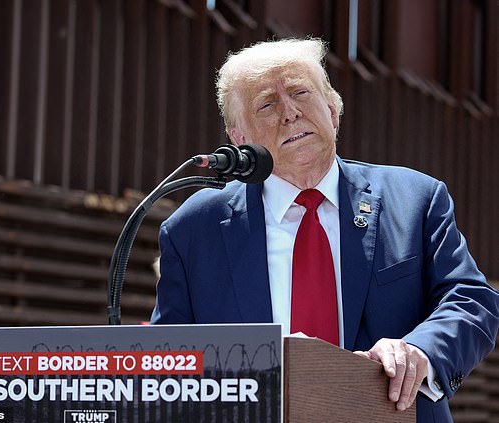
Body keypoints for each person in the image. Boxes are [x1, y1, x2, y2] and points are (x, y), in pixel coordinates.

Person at [150, 37, 499, 422]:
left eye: (301, 92)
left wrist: (420, 351)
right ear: (240, 139)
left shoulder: (415, 200)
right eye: (267, 104)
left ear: (333, 110)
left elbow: (471, 302)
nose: (290, 112)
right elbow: (171, 364)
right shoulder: (193, 230)